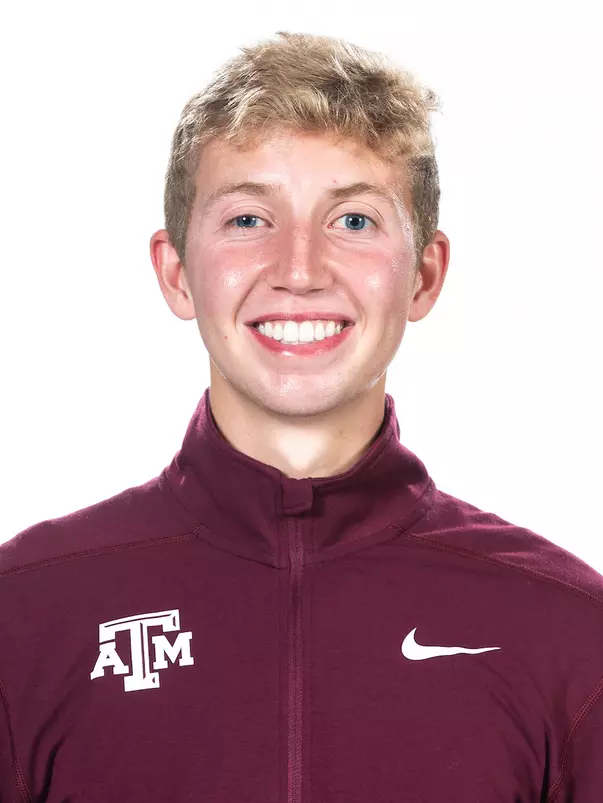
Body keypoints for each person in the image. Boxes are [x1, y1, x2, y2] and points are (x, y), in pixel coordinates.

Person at [0, 30, 601, 803]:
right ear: (177, 272)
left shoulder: (568, 632)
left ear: (422, 275)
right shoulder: (25, 615)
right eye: (249, 219)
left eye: (353, 222)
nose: (299, 270)